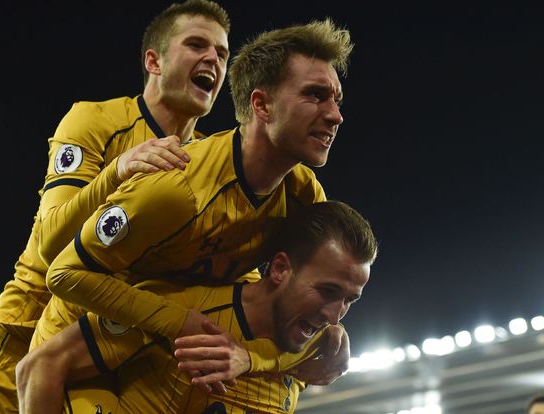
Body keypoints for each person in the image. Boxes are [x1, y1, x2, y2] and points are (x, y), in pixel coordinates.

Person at [37, 18, 353, 390]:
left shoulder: (305, 199)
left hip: (169, 366)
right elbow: (62, 272)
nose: (335, 115)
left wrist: (263, 355)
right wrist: (181, 321)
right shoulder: (177, 187)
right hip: (76, 363)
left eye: (336, 99)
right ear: (261, 105)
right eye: (315, 95)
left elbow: (312, 316)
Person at [0, 1, 231, 412]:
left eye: (222, 53)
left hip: (110, 358)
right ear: (153, 61)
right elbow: (51, 245)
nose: (213, 58)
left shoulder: (209, 161)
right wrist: (116, 172)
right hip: (24, 338)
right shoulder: (95, 121)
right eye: (196, 44)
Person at [17, 201, 378, 413]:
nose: (335, 315)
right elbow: (40, 366)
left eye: (349, 299)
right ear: (281, 269)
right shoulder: (190, 313)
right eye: (327, 291)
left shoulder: (317, 345)